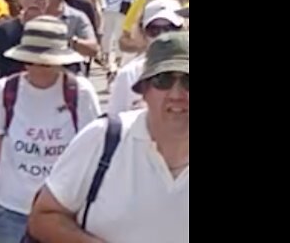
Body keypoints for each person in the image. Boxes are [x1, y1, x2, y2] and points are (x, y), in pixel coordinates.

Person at [27, 32, 189, 243]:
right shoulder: (103, 138)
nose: (176, 95)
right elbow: (42, 217)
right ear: (144, 91)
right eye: (163, 80)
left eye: (188, 81)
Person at [0, 16, 102, 243]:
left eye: (48, 62)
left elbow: (93, 155)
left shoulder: (80, 93)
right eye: (34, 60)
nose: (40, 67)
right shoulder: (6, 90)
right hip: (10, 210)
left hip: (61, 212)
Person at [0, 0, 97, 82]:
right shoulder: (3, 32)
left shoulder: (59, 31)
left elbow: (72, 70)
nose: (35, 0)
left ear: (49, 0)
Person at [107, 0, 186, 115]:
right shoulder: (129, 75)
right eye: (154, 30)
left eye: (170, 28)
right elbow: (115, 121)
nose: (163, 36)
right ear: (142, 32)